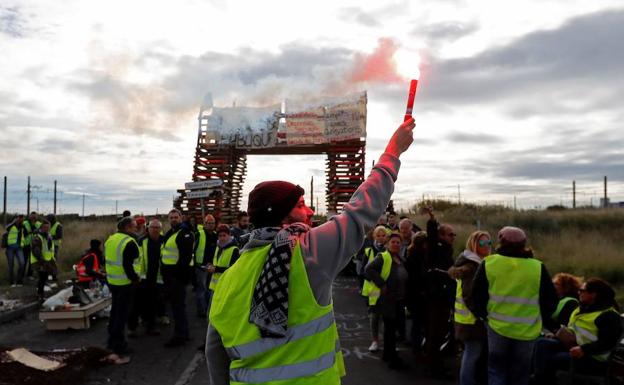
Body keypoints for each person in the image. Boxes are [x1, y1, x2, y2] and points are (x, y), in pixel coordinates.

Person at [205, 118, 414, 385]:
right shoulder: (303, 253)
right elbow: (360, 212)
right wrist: (393, 152)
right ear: (283, 218)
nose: (311, 211)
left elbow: (216, 356)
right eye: (301, 204)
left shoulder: (228, 279)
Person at [471, 226, 558, 385]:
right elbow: (551, 299)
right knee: (521, 373)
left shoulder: (489, 263)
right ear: (524, 244)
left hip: (497, 328)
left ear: (500, 242)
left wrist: (484, 316)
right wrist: (541, 319)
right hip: (527, 331)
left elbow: (476, 296)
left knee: (496, 370)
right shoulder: (537, 267)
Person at [532, 278, 622, 384]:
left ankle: (541, 381)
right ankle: (538, 378)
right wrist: (557, 336)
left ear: (593, 294)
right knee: (542, 343)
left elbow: (608, 343)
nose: (579, 292)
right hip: (573, 347)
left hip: (593, 357)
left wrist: (583, 349)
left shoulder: (609, 315)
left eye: (582, 290)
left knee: (554, 358)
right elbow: (574, 330)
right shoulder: (582, 309)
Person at [448, 231, 492, 385]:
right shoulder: (471, 267)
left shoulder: (478, 263)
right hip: (471, 320)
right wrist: (482, 316)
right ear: (473, 245)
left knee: (473, 354)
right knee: (472, 354)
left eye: (489, 242)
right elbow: (469, 295)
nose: (486, 246)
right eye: (482, 243)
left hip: (467, 319)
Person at [365, 233, 409, 369]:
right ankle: (392, 358)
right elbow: (368, 269)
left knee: (392, 328)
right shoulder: (383, 257)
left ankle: (387, 355)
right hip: (388, 299)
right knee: (390, 329)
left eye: (398, 242)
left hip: (399, 299)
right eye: (393, 242)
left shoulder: (400, 258)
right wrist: (381, 284)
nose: (396, 244)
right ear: (387, 244)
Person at [422, 206, 457, 378]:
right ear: (441, 236)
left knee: (439, 332)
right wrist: (432, 220)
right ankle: (434, 367)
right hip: (436, 297)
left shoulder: (447, 250)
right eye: (450, 234)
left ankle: (435, 363)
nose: (453, 237)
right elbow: (431, 234)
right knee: (435, 333)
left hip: (444, 297)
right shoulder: (435, 248)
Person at [104, 216, 140, 356]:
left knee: (115, 313)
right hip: (125, 283)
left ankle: (111, 341)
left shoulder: (111, 239)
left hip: (113, 282)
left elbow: (106, 260)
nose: (136, 229)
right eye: (134, 226)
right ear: (127, 227)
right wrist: (135, 279)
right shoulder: (129, 242)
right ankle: (119, 345)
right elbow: (128, 265)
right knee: (122, 315)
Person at [161, 208, 195, 347]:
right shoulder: (171, 233)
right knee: (178, 307)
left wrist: (177, 277)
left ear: (181, 218)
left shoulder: (184, 233)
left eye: (176, 217)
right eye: (171, 217)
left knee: (178, 308)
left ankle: (179, 336)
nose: (173, 219)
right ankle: (183, 334)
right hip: (171, 277)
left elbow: (185, 259)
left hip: (177, 278)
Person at [129, 219, 164, 337]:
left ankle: (151, 327)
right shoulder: (141, 241)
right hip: (142, 278)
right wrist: (136, 276)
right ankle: (132, 328)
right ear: (148, 229)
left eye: (157, 227)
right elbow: (136, 260)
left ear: (160, 229)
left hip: (157, 278)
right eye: (152, 227)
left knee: (153, 304)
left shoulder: (164, 241)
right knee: (137, 304)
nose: (155, 229)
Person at [360, 225, 388, 352]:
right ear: (374, 236)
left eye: (383, 235)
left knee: (387, 317)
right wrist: (377, 281)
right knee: (375, 317)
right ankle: (375, 341)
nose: (381, 238)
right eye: (378, 235)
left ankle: (388, 341)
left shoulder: (390, 250)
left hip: (387, 289)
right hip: (373, 290)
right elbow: (363, 271)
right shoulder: (369, 251)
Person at [205, 225, 240, 312]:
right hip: (215, 287)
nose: (222, 238)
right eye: (220, 236)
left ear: (229, 235)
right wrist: (210, 265)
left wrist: (216, 269)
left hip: (226, 287)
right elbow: (216, 262)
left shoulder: (234, 249)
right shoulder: (218, 247)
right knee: (211, 312)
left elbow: (234, 269)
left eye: (224, 235)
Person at [405, 230, 428, 352]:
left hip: (412, 295)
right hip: (418, 295)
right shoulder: (419, 257)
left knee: (416, 323)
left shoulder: (410, 255)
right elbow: (417, 278)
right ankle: (417, 347)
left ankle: (416, 345)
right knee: (418, 323)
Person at [194, 214, 218, 317]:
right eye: (208, 223)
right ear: (204, 224)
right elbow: (193, 249)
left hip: (212, 267)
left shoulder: (216, 235)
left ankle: (209, 309)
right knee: (202, 290)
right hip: (201, 267)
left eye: (212, 223)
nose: (210, 225)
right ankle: (201, 311)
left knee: (210, 289)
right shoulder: (199, 234)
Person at [30, 220, 58, 301]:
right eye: (45, 227)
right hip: (39, 261)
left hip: (47, 260)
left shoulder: (48, 236)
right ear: (41, 228)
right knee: (42, 278)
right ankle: (40, 295)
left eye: (48, 227)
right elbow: (36, 251)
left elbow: (50, 249)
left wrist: (52, 259)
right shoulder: (38, 237)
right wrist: (42, 261)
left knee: (44, 278)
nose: (47, 229)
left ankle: (41, 294)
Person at [5, 215, 25, 287]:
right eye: (19, 219)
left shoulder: (23, 226)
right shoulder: (11, 226)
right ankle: (12, 281)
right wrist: (14, 222)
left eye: (22, 219)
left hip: (19, 248)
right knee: (11, 265)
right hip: (10, 248)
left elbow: (26, 233)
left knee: (22, 263)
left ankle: (19, 280)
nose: (20, 220)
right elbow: (6, 228)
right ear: (16, 219)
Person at [22, 211, 41, 278]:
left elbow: (41, 233)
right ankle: (22, 275)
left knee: (32, 261)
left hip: (34, 245)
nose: (33, 218)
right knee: (24, 261)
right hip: (25, 245)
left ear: (37, 217)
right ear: (29, 217)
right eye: (32, 216)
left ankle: (30, 275)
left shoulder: (39, 224)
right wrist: (28, 232)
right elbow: (22, 233)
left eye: (34, 216)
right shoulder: (25, 223)